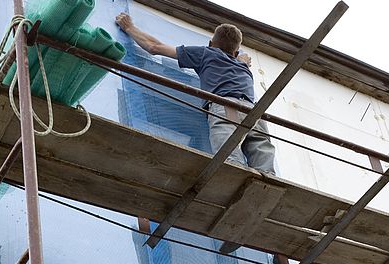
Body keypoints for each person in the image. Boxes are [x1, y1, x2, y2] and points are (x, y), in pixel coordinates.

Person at [115, 13, 276, 174]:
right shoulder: (242, 66)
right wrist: (242, 59)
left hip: (230, 108)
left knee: (230, 153)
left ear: (210, 44)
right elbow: (241, 59)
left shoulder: (207, 53)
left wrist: (129, 27)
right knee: (260, 146)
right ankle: (268, 181)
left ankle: (235, 173)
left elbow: (154, 47)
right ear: (235, 53)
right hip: (254, 112)